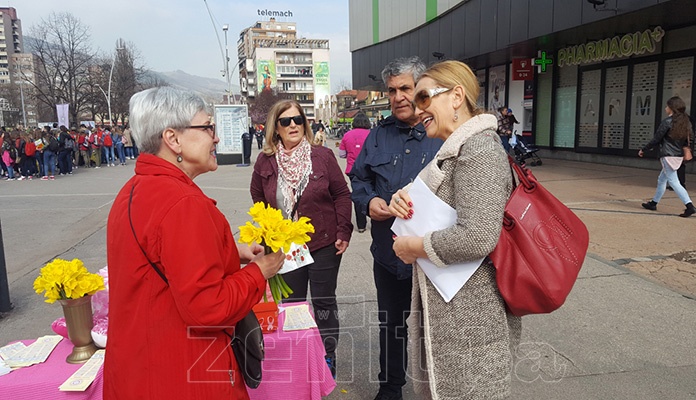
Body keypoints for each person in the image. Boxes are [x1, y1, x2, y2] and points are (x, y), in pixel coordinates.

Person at [103, 87, 285, 399]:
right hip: (185, 372)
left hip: (139, 367)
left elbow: (164, 259)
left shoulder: (136, 189)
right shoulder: (183, 203)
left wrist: (232, 251)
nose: (215, 138)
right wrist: (260, 271)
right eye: (207, 128)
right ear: (173, 139)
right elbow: (208, 307)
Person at [388, 60, 522, 399]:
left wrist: (414, 247)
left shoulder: (479, 150)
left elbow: (477, 236)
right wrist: (404, 200)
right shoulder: (455, 150)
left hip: (472, 321)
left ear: (456, 96)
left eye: (423, 98)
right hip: (455, 316)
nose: (418, 110)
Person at [349, 56, 442, 400]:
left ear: (420, 89)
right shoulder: (378, 136)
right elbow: (359, 179)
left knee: (435, 329)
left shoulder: (441, 133)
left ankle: (438, 390)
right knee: (392, 325)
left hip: (433, 257)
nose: (399, 96)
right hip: (388, 256)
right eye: (392, 90)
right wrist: (369, 201)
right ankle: (391, 388)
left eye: (406, 88)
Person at [250, 99, 353, 378]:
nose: (293, 125)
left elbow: (342, 194)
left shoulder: (322, 156)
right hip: (286, 247)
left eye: (298, 120)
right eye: (286, 121)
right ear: (276, 128)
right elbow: (258, 197)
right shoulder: (265, 161)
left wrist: (344, 230)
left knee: (323, 302)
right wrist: (269, 230)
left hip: (322, 242)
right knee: (292, 303)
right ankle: (299, 355)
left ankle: (327, 357)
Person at [639, 96, 695, 218]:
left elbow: (656, 139)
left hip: (667, 156)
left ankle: (689, 206)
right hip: (678, 156)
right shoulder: (686, 122)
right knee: (662, 179)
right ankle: (653, 203)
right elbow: (689, 139)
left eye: (667, 106)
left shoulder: (667, 122)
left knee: (674, 181)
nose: (665, 108)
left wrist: (644, 149)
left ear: (672, 109)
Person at [339, 111, 372, 233]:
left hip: (353, 170)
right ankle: (374, 219)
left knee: (358, 195)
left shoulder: (347, 135)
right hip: (370, 169)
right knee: (373, 194)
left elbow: (341, 154)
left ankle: (361, 225)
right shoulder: (372, 135)